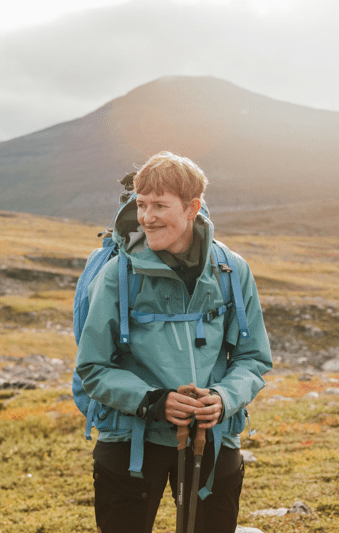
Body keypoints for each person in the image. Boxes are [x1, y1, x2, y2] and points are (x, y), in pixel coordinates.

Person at [75, 152, 272, 533]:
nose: (146, 217)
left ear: (192, 208)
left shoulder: (231, 270)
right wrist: (153, 401)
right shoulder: (118, 275)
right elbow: (93, 366)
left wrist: (224, 398)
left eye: (160, 206)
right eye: (142, 205)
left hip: (212, 436)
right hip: (130, 438)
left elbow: (253, 358)